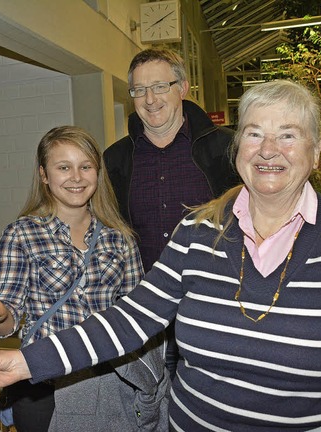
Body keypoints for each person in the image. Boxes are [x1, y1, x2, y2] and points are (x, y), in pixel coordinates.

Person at [0, 81, 321, 431]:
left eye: (288, 135)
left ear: (316, 152)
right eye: (255, 134)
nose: (268, 150)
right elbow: (132, 318)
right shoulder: (196, 232)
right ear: (237, 148)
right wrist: (27, 361)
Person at [0, 126, 169, 432]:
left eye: (85, 166)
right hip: (44, 383)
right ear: (44, 175)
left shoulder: (119, 239)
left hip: (108, 379)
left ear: (98, 172)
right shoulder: (21, 234)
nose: (76, 177)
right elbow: (8, 322)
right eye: (63, 167)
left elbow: (134, 319)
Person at [104, 48, 240, 378]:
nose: (150, 99)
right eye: (139, 90)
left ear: (183, 87)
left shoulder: (227, 149)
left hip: (215, 308)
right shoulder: (116, 160)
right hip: (148, 314)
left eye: (160, 86)